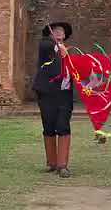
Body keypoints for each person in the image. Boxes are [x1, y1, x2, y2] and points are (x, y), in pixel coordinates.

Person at [32, 22, 73, 178]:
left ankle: (62, 165)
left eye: (61, 31)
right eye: (55, 30)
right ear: (50, 34)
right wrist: (57, 48)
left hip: (64, 94)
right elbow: (47, 46)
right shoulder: (46, 46)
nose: (58, 32)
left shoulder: (69, 52)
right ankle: (51, 163)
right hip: (47, 93)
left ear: (65, 35)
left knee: (63, 126)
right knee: (48, 126)